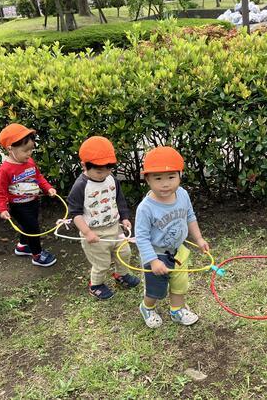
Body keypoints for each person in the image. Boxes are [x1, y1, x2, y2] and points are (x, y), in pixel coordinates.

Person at [135, 146, 210, 328]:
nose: (165, 184)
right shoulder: (146, 208)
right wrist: (152, 261)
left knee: (179, 284)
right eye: (158, 178)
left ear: (180, 175)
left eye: (171, 177)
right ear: (147, 179)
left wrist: (199, 239)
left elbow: (190, 216)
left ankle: (176, 310)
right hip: (156, 254)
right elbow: (142, 238)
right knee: (156, 290)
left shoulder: (182, 194)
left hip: (179, 251)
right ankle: (147, 307)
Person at [68, 136, 140, 300]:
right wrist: (87, 232)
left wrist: (125, 217)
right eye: (99, 171)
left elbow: (119, 199)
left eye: (108, 170)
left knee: (124, 252)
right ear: (84, 166)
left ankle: (121, 275)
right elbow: (75, 213)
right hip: (95, 233)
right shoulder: (81, 186)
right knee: (101, 263)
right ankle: (96, 285)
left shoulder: (111, 180)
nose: (104, 174)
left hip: (115, 227)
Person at [0, 123, 57, 267]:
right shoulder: (6, 170)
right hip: (18, 206)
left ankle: (23, 246)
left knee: (28, 225)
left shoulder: (29, 162)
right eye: (25, 151)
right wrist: (2, 208)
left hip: (33, 202)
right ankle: (37, 254)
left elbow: (38, 176)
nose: (29, 154)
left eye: (31, 150)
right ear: (10, 149)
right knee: (33, 227)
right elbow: (0, 190)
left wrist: (48, 188)